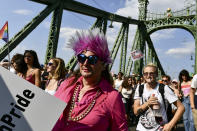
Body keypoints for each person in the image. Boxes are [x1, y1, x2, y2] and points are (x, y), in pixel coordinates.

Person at [52, 29, 127, 131]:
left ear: (104, 65)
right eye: (82, 58)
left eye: (92, 59)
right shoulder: (66, 84)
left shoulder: (112, 97)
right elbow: (48, 111)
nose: (85, 63)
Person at [133, 63, 184, 131]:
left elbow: (181, 107)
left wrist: (170, 125)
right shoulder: (139, 88)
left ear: (156, 74)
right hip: (141, 128)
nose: (148, 76)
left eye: (151, 73)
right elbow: (136, 111)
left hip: (159, 129)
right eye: (146, 73)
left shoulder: (164, 88)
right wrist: (147, 103)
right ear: (143, 75)